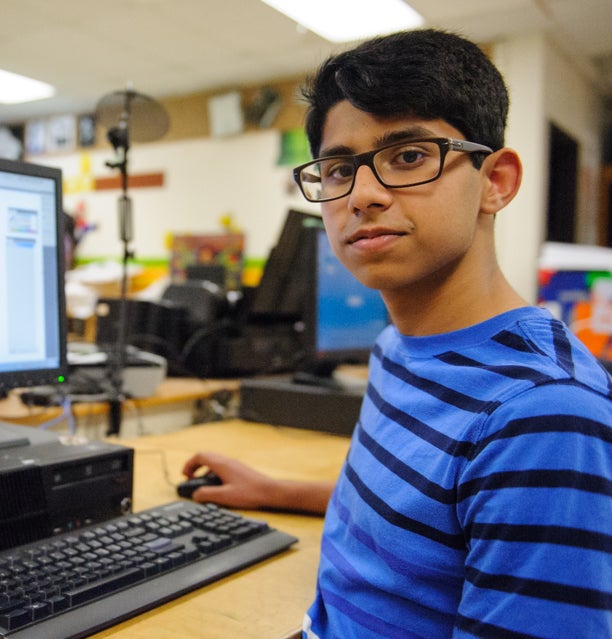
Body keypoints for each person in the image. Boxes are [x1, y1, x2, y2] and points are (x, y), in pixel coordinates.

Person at [182, 29, 612, 639]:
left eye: (408, 156)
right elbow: (431, 511)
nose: (361, 196)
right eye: (338, 169)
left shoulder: (542, 416)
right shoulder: (398, 346)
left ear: (496, 180)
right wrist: (277, 489)